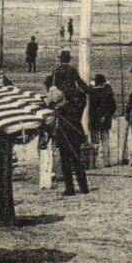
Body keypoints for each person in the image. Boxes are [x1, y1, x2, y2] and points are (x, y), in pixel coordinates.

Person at [48, 50, 90, 196]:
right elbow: (81, 85)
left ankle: (70, 188)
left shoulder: (56, 72)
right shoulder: (78, 103)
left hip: (63, 131)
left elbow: (51, 89)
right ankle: (84, 187)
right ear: (69, 60)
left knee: (65, 160)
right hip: (76, 130)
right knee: (77, 158)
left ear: (61, 60)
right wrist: (88, 91)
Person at [86, 73, 116, 153]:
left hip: (94, 120)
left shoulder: (91, 92)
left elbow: (87, 89)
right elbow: (113, 107)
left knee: (95, 142)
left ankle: (95, 158)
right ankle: (106, 159)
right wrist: (106, 116)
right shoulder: (108, 92)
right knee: (105, 141)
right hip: (105, 120)